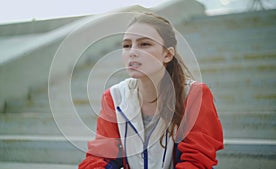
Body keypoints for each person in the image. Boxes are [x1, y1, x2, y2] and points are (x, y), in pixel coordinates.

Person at [79, 13, 223, 169]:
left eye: (144, 44)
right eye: (127, 45)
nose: (132, 52)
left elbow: (196, 161)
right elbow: (100, 157)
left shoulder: (194, 95)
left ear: (167, 54)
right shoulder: (114, 97)